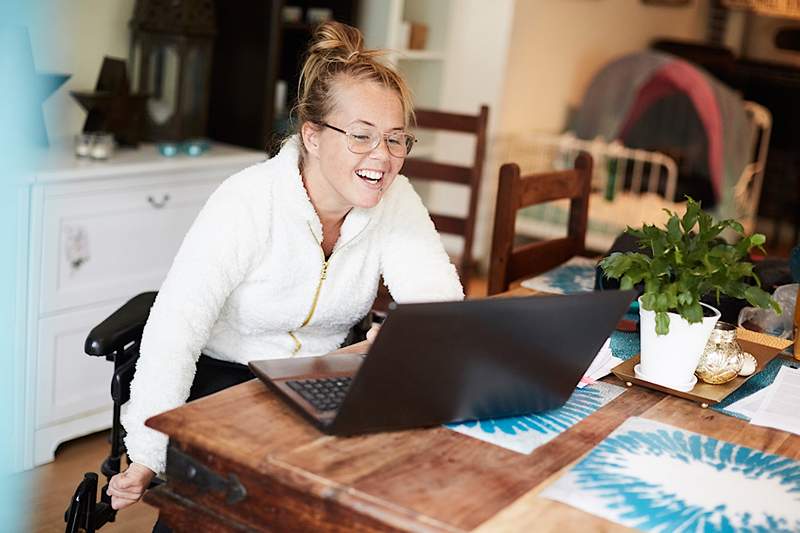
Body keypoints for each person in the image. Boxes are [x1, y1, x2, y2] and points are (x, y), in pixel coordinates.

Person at [105, 20, 463, 527]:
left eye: (396, 140)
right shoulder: (248, 201)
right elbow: (175, 327)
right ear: (312, 136)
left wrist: (414, 338)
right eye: (361, 136)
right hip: (228, 382)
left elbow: (437, 304)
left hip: (322, 379)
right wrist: (147, 452)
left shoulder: (394, 200)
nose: (382, 158)